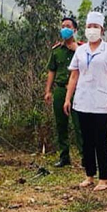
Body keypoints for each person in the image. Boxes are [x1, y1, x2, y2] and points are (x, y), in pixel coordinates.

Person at [64, 11, 107, 192]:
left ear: (102, 30)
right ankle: (89, 175)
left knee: (100, 140)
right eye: (89, 26)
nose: (92, 30)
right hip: (82, 101)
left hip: (102, 102)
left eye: (95, 27)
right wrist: (68, 98)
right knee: (86, 140)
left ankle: (103, 179)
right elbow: (74, 76)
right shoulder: (81, 50)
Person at [45, 17, 84, 167]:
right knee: (61, 124)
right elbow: (51, 71)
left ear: (75, 30)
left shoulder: (81, 49)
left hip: (78, 90)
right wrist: (48, 91)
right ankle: (64, 157)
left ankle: (84, 157)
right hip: (60, 90)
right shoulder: (56, 51)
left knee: (79, 124)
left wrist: (76, 49)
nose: (64, 29)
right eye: (62, 26)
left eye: (68, 26)